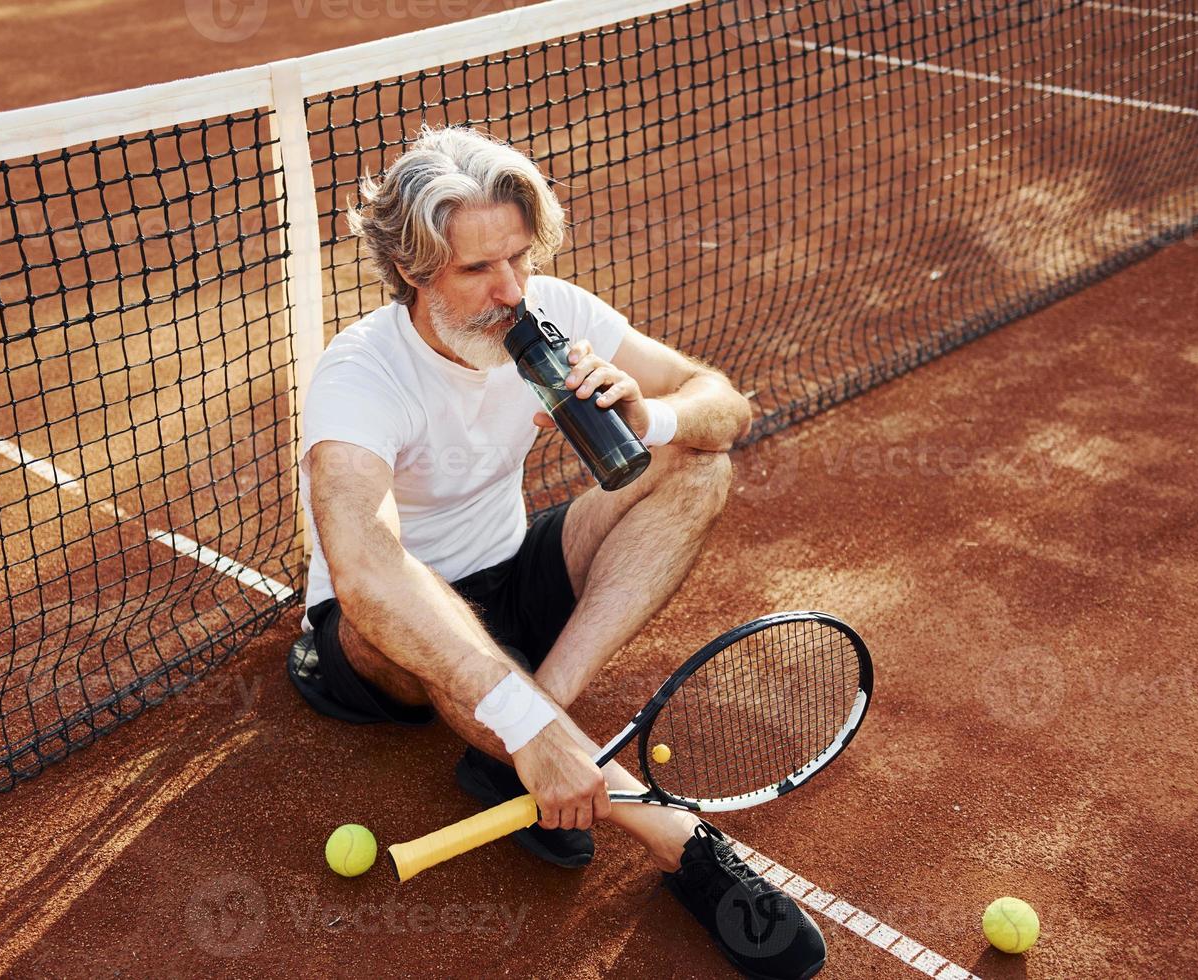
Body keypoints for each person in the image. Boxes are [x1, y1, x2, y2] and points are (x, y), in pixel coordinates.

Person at [289, 125, 825, 979]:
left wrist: (655, 419)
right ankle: (675, 838)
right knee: (399, 618)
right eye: (477, 270)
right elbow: (367, 569)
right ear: (413, 271)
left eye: (520, 257)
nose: (511, 290)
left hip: (512, 572)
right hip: (380, 633)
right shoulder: (360, 376)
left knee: (696, 470)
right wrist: (529, 731)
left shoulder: (551, 314)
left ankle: (532, 717)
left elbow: (724, 402)